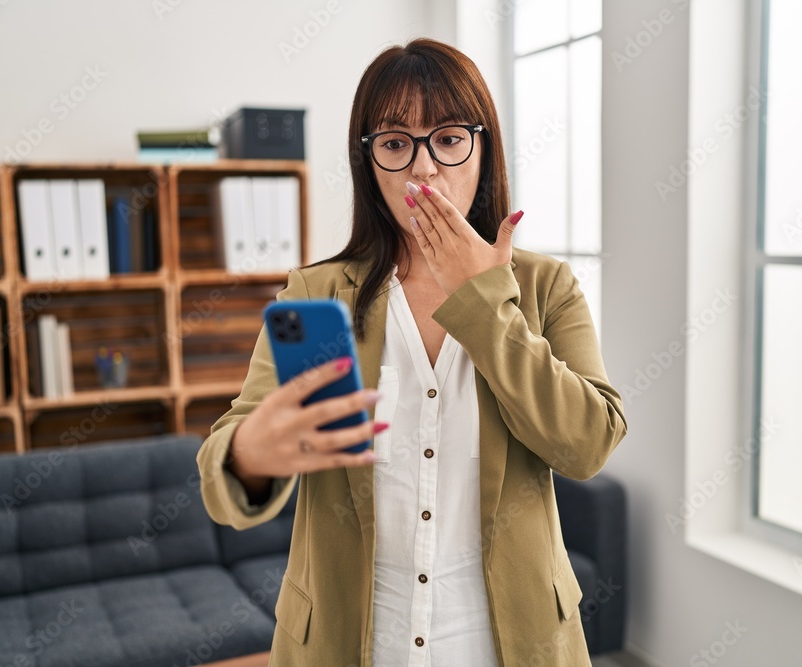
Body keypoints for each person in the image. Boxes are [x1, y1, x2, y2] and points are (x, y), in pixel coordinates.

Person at [196, 37, 628, 667]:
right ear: (368, 161)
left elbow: (588, 443)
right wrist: (252, 452)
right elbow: (226, 457)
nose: (424, 169)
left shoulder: (544, 287)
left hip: (510, 643)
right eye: (396, 144)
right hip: (354, 642)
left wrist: (482, 303)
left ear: (484, 148)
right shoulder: (320, 293)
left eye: (449, 139)